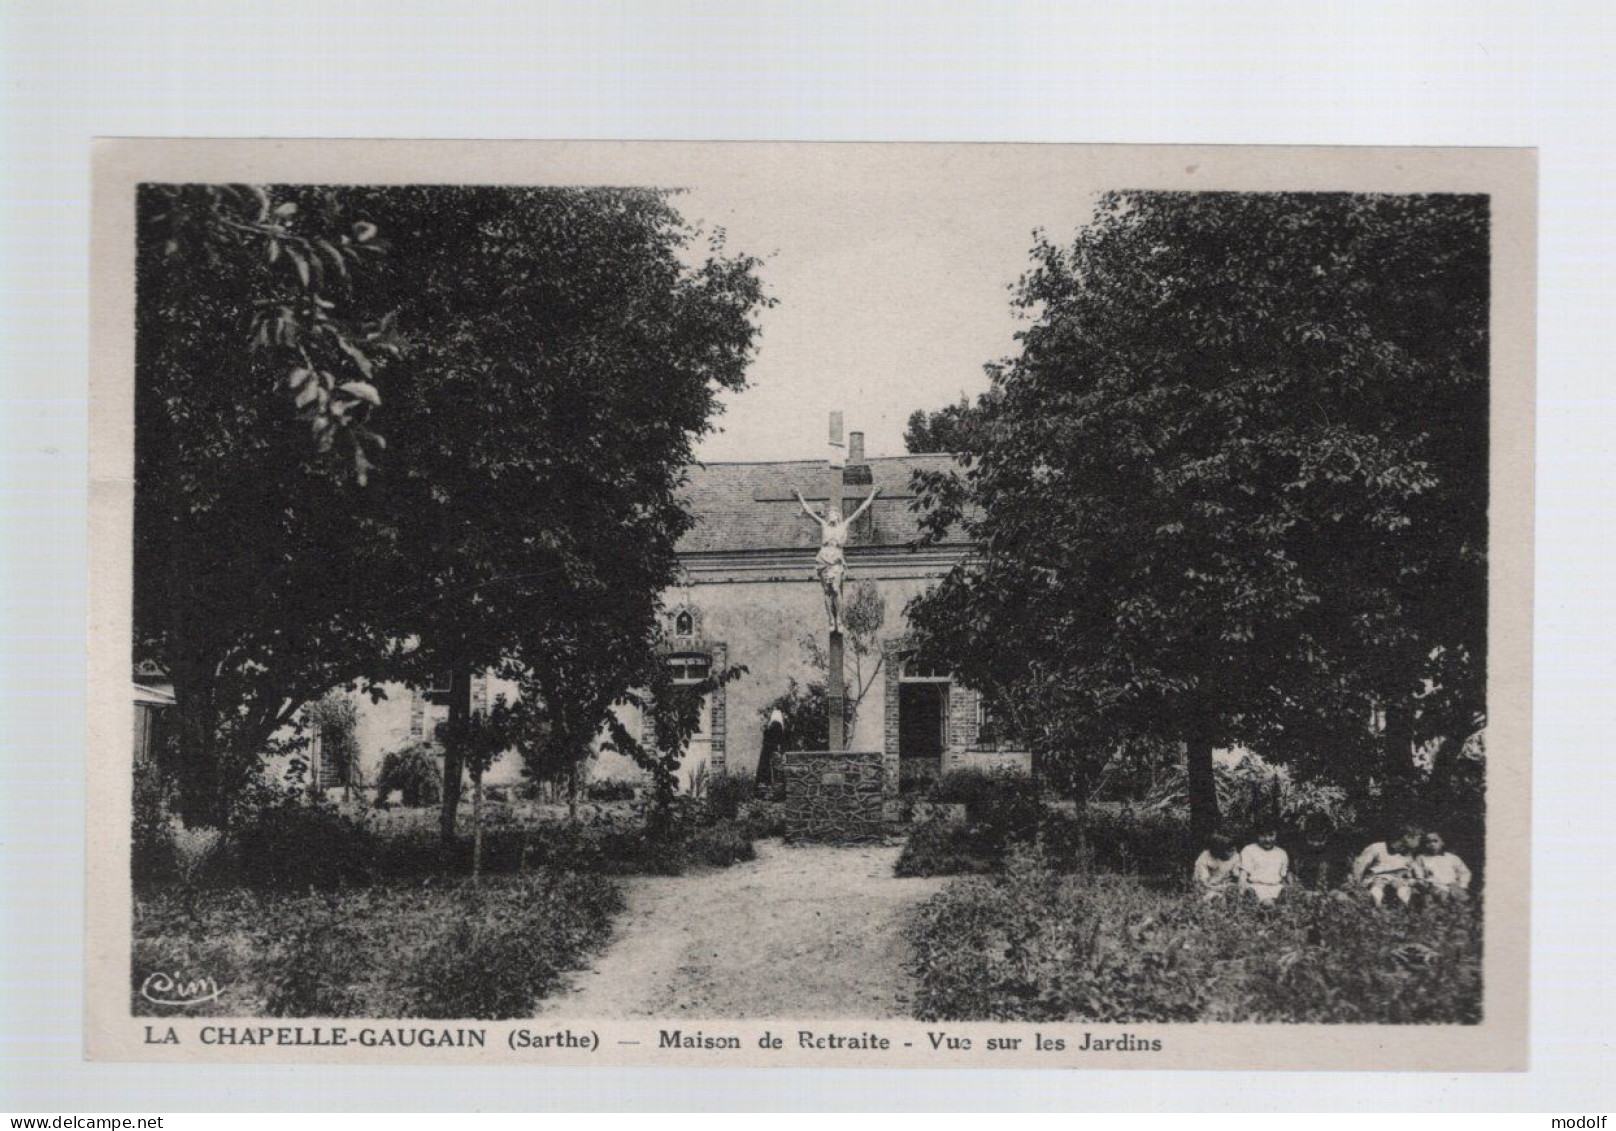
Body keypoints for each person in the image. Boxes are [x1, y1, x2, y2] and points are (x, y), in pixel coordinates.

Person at [795, 486, 880, 633]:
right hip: (823, 557)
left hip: (836, 558)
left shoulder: (844, 525)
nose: (831, 514)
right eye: (829, 513)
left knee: (835, 588)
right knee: (827, 591)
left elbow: (860, 510)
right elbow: (809, 512)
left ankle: (839, 620)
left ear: (838, 515)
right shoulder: (823, 525)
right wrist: (799, 496)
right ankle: (831, 621)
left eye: (834, 512)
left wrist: (872, 494)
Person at [1352, 826, 1419, 906]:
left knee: (1401, 886)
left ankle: (1405, 906)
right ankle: (1376, 903)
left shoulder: (1407, 855)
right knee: (1378, 885)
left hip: (1396, 882)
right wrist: (1357, 884)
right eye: (1416, 838)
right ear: (1407, 837)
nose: (1418, 842)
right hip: (1376, 879)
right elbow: (1360, 865)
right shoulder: (1377, 848)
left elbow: (1408, 873)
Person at [1238, 825, 1290, 905]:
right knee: (1267, 904)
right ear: (1257, 835)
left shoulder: (1281, 853)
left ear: (1276, 835)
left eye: (1271, 835)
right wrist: (1241, 893)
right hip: (1256, 887)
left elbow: (1283, 876)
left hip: (1276, 887)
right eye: (1263, 835)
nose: (1267, 839)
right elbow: (1243, 874)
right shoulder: (1249, 850)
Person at [1415, 831, 1473, 901]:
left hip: (1453, 886)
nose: (1432, 844)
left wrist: (1462, 885)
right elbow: (1419, 876)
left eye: (1435, 841)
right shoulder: (1421, 858)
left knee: (1462, 903)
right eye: (1428, 842)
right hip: (1435, 888)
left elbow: (1464, 872)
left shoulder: (1452, 857)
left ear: (1442, 842)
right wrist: (1427, 886)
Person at [1192, 834, 1242, 901]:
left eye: (1233, 850)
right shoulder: (1204, 859)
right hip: (1208, 888)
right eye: (1229, 851)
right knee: (1213, 897)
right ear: (1219, 851)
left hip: (1227, 886)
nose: (1233, 853)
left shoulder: (1234, 856)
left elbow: (1237, 875)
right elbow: (1203, 884)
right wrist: (1220, 888)